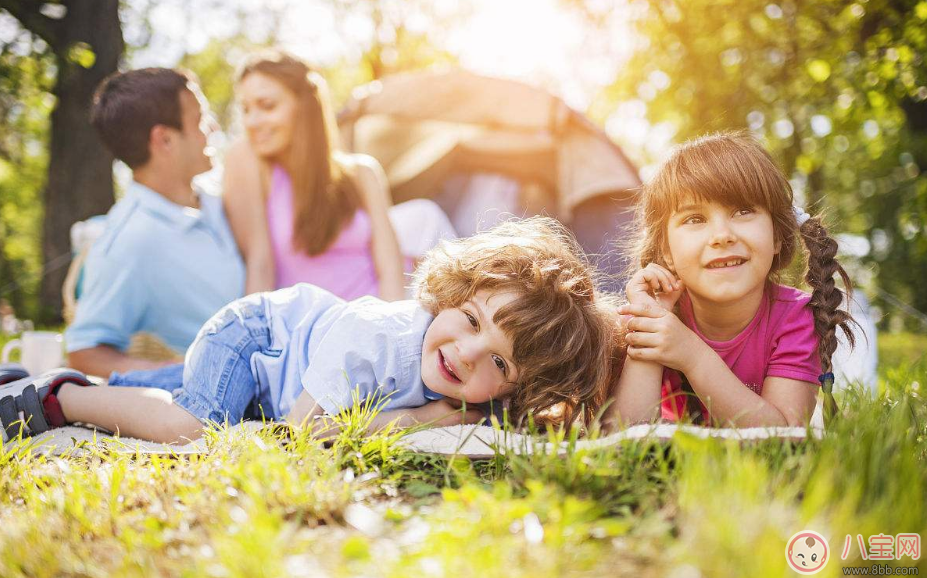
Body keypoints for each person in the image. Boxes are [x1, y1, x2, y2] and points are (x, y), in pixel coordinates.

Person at [6, 218, 617, 444]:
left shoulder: (476, 396)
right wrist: (418, 422)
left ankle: (50, 380)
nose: (466, 353)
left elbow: (564, 418)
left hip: (279, 375)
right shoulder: (379, 338)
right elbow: (302, 433)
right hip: (256, 338)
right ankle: (60, 397)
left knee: (168, 391)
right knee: (195, 424)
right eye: (471, 320)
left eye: (502, 364)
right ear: (452, 294)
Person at [607, 132, 856, 428]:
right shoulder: (662, 317)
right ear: (666, 251)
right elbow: (621, 437)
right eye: (695, 219)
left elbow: (782, 437)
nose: (722, 235)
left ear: (777, 236)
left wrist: (692, 355)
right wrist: (650, 322)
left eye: (743, 211)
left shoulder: (796, 318)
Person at [223, 50, 454, 300]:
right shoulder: (249, 161)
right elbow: (260, 266)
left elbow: (389, 268)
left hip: (384, 310)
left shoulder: (362, 172)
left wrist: (389, 330)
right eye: (245, 109)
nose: (252, 121)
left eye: (267, 106)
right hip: (319, 331)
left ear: (304, 105)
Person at [65, 68, 245, 377]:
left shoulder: (218, 196)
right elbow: (85, 351)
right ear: (164, 140)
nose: (213, 128)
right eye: (200, 119)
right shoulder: (130, 242)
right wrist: (183, 371)